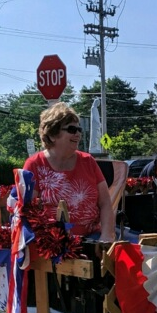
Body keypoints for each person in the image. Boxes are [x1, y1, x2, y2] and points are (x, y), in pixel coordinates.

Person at [23, 102, 115, 242]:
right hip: (51, 243)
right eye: (71, 129)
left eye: (79, 129)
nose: (77, 133)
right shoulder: (34, 164)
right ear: (52, 134)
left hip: (91, 239)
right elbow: (29, 210)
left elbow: (105, 203)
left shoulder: (88, 161)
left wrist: (107, 237)